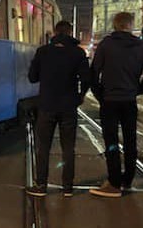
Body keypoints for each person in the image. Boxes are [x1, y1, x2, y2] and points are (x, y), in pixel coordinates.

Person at [89, 12, 143, 198]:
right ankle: (127, 180)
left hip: (109, 101)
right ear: (130, 25)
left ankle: (114, 183)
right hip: (129, 101)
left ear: (115, 25)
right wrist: (138, 90)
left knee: (111, 142)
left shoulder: (106, 45)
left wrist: (100, 95)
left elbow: (94, 73)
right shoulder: (141, 46)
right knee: (130, 141)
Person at [26, 21, 90, 197]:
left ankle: (41, 185)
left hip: (47, 105)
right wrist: (80, 96)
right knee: (68, 147)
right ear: (70, 32)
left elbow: (32, 77)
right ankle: (67, 187)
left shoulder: (43, 51)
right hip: (69, 106)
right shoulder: (78, 53)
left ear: (54, 32)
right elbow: (86, 78)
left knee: (43, 146)